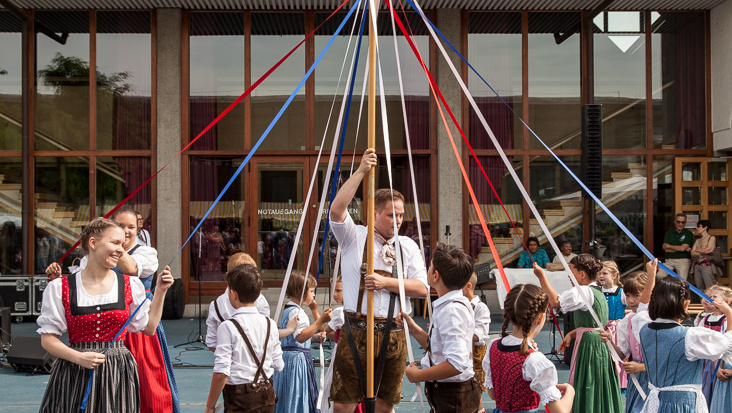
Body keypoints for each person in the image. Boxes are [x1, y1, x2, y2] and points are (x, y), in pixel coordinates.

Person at [47, 205, 180, 413]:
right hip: (75, 371)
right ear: (93, 243)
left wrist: (161, 290)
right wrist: (78, 357)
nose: (121, 248)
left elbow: (150, 328)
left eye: (123, 243)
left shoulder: (130, 284)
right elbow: (47, 338)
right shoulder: (61, 287)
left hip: (119, 372)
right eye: (115, 242)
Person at [328, 148, 429, 413]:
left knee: (385, 406)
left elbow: (422, 289)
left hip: (393, 334)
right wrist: (361, 171)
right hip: (356, 331)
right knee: (343, 405)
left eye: (399, 215)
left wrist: (388, 284)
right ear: (373, 214)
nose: (396, 221)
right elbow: (337, 211)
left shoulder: (407, 246)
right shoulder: (354, 237)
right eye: (390, 215)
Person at [632, 260, 732, 413]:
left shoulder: (644, 329)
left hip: (655, 403)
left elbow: (643, 309)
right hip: (683, 405)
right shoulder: (690, 336)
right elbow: (727, 344)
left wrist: (651, 275)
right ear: (686, 305)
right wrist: (729, 313)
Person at [399, 243, 482, 413]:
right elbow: (440, 349)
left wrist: (418, 375)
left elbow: (456, 363)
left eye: (429, 267)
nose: (428, 269)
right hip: (449, 394)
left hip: (454, 397)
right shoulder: (450, 305)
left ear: (435, 276)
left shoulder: (451, 310)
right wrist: (413, 329)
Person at [534, 254, 623, 413]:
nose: (569, 275)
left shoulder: (584, 290)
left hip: (590, 346)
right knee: (597, 381)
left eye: (571, 271)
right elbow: (594, 325)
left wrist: (541, 276)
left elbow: (555, 302)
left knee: (587, 381)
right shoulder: (598, 291)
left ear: (582, 274)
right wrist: (571, 334)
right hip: (598, 343)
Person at [484, 284, 575, 413]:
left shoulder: (493, 346)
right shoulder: (534, 359)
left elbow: (493, 394)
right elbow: (560, 411)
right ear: (540, 318)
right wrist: (570, 390)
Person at [204, 265, 283, 413]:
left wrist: (210, 406)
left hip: (239, 396)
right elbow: (278, 365)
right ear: (259, 293)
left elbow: (221, 372)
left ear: (233, 293)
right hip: (266, 394)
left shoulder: (227, 327)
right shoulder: (270, 324)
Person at [273, 271, 332, 413]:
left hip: (288, 358)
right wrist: (320, 321)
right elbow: (300, 337)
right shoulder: (297, 312)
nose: (313, 295)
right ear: (301, 291)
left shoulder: (289, 310)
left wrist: (315, 337)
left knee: (288, 393)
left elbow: (296, 337)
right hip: (296, 362)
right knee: (296, 392)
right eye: (311, 291)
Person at [602, 270, 649, 413]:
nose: (631, 301)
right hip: (636, 378)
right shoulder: (626, 321)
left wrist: (642, 367)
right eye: (627, 296)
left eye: (636, 295)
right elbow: (622, 355)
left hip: (654, 376)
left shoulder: (653, 320)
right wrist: (610, 341)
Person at [206, 253, 271, 351]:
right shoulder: (260, 300)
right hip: (256, 361)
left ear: (228, 275)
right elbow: (266, 335)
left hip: (228, 362)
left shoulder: (216, 305)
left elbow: (212, 343)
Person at [322, 279, 365, 413]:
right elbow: (333, 334)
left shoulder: (340, 311)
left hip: (342, 352)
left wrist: (317, 315)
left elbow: (325, 330)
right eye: (334, 290)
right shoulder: (357, 311)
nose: (335, 294)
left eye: (339, 290)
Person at [698, 286, 731, 408]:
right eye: (710, 296)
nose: (711, 299)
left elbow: (725, 343)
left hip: (717, 360)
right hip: (706, 359)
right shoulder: (706, 318)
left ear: (726, 302)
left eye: (715, 297)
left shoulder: (726, 320)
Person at [463, 272, 491, 397]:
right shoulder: (457, 305)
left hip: (475, 354)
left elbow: (479, 336)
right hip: (461, 352)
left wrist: (455, 329)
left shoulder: (480, 308)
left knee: (475, 391)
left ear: (468, 286)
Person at [658, 213, 693, 280]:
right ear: (675, 222)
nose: (680, 224)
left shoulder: (688, 233)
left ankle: (680, 290)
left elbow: (682, 248)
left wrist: (669, 246)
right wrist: (681, 248)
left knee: (682, 281)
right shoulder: (669, 233)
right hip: (670, 260)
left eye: (683, 222)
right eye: (678, 222)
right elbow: (665, 248)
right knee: (659, 275)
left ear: (685, 223)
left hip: (683, 260)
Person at [691, 220, 723, 291]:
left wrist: (697, 250)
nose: (697, 228)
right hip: (697, 265)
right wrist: (701, 251)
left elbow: (709, 250)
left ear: (705, 227)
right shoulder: (698, 240)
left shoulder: (711, 238)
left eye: (699, 226)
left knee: (709, 286)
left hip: (707, 265)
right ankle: (702, 301)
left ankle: (710, 301)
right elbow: (692, 253)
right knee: (699, 287)